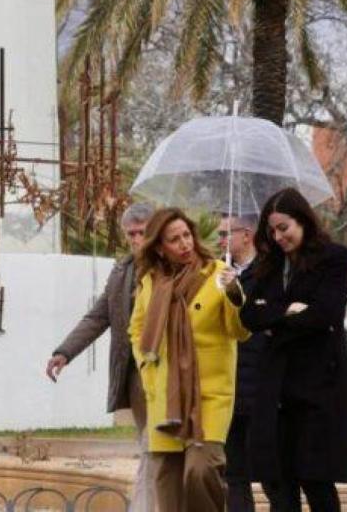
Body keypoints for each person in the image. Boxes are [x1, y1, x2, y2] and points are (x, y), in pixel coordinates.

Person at [240, 188, 347, 512]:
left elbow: (326, 314)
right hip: (277, 386)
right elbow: (251, 315)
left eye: (284, 228)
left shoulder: (334, 257)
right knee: (278, 479)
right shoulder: (269, 265)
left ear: (303, 221)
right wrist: (288, 311)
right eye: (272, 230)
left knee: (316, 478)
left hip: (319, 385)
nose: (278, 237)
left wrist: (274, 316)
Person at [129, 207, 249, 512]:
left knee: (201, 470)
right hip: (165, 394)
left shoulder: (217, 275)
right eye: (174, 239)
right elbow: (137, 329)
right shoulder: (150, 281)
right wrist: (146, 367)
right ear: (159, 246)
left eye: (186, 235)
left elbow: (239, 330)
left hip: (209, 394)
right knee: (168, 486)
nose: (184, 244)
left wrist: (235, 294)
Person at [47, 202, 156, 512]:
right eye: (131, 234)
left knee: (158, 446)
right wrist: (65, 352)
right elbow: (98, 316)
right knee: (148, 444)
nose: (136, 239)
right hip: (134, 372)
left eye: (142, 233)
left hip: (167, 371)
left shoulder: (171, 267)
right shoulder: (123, 270)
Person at [217, 214, 263, 512]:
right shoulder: (216, 273)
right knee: (233, 472)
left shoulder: (268, 272)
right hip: (225, 382)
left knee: (270, 471)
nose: (220, 240)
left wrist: (237, 292)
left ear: (247, 235)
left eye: (225, 233)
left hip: (258, 379)